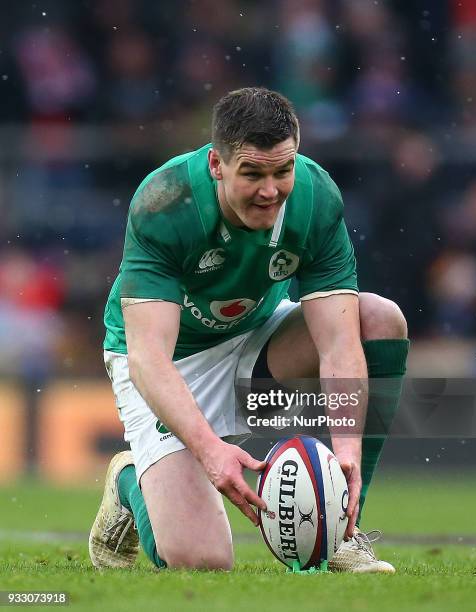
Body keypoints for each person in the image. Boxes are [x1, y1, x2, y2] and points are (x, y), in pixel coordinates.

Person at [89, 87, 409, 572]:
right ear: (217, 165)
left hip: (259, 339)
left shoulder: (317, 199)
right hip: (172, 363)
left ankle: (344, 529)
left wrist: (346, 447)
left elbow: (340, 342)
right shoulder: (166, 202)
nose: (271, 190)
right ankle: (131, 480)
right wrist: (212, 453)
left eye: (283, 171)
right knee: (202, 561)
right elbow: (147, 358)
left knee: (379, 318)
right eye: (253, 173)